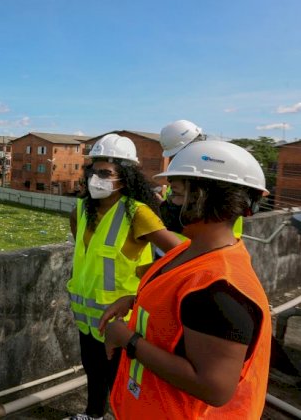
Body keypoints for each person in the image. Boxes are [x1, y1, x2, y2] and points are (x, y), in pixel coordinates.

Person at [101, 140, 271, 419]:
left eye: (177, 194)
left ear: (205, 197)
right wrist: (134, 300)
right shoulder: (187, 253)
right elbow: (178, 308)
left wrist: (128, 340)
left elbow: (214, 388)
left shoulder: (220, 290)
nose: (168, 202)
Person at [65, 134, 181, 420]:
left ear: (125, 177)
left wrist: (147, 291)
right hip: (86, 315)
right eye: (94, 171)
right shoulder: (79, 210)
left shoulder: (136, 213)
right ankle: (92, 416)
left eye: (106, 173)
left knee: (121, 379)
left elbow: (182, 256)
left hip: (121, 320)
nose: (96, 179)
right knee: (93, 371)